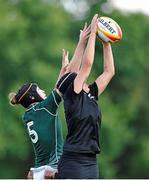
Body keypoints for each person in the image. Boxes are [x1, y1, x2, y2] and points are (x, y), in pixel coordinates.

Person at [8, 22, 91, 180]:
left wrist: (62, 70)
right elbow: (70, 77)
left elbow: (58, 86)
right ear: (33, 96)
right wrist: (81, 42)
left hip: (38, 171)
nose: (43, 91)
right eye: (39, 90)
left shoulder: (30, 114)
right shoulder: (44, 109)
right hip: (52, 169)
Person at [55, 14, 115, 179]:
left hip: (91, 162)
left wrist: (106, 42)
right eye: (73, 73)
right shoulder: (73, 94)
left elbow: (109, 71)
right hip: (74, 161)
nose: (77, 72)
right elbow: (87, 64)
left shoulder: (91, 93)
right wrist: (94, 34)